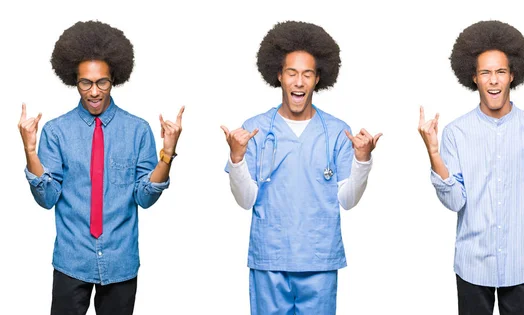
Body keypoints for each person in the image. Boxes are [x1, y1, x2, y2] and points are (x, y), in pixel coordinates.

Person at [18, 20, 184, 315]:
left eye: (102, 82)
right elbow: (46, 198)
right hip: (72, 259)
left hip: (120, 260)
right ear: (75, 80)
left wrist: (167, 154)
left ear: (114, 79)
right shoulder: (56, 132)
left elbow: (145, 197)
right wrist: (30, 150)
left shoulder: (137, 130)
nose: (94, 92)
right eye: (86, 82)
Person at [418, 20, 524, 315]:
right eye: (486, 73)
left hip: (520, 265)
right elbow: (455, 200)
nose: (493, 80)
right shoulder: (457, 132)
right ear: (474, 78)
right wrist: (433, 151)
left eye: (500, 72)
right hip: (472, 267)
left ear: (512, 76)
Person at [221, 21, 381, 314]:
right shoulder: (253, 130)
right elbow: (246, 201)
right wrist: (237, 158)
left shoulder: (337, 132)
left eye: (307, 74)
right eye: (291, 73)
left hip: (319, 261)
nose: (299, 82)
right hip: (270, 259)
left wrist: (362, 161)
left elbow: (347, 201)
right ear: (279, 76)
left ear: (318, 78)